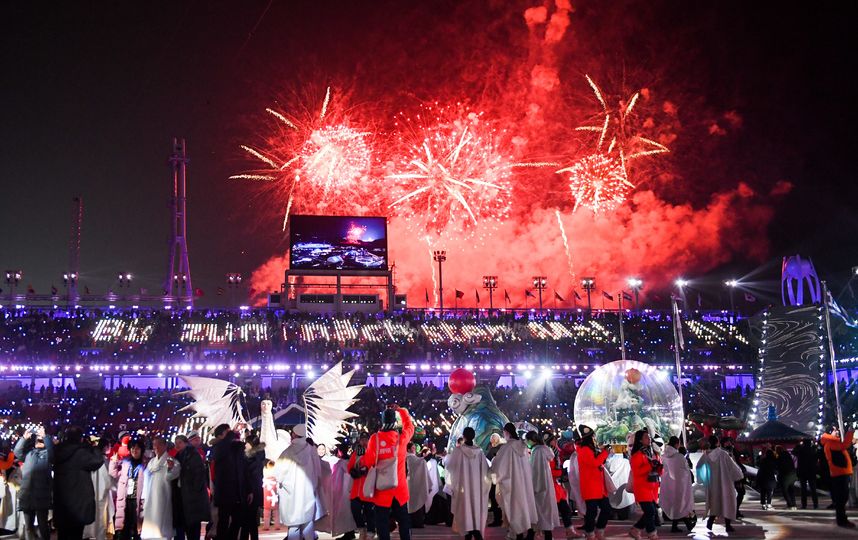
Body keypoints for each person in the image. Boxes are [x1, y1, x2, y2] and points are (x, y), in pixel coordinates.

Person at [362, 406, 415, 540]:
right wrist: (402, 411)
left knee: (382, 525)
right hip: (400, 490)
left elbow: (368, 462)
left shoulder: (375, 439)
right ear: (395, 422)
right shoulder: (401, 439)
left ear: (382, 421)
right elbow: (410, 427)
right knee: (404, 523)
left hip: (382, 491)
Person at [53, 426, 109, 540]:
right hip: (79, 505)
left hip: (62, 504)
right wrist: (92, 447)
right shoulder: (81, 453)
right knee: (76, 535)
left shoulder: (58, 450)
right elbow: (97, 461)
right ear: (80, 438)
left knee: (62, 535)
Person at [491, 422, 538, 540]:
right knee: (525, 507)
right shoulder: (523, 447)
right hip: (524, 484)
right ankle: (526, 530)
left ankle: (517, 533)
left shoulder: (506, 448)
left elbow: (498, 467)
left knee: (514, 508)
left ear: (506, 433)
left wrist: (492, 475)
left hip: (511, 485)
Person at [278, 423, 322, 540]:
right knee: (308, 524)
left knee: (294, 526)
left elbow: (279, 475)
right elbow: (318, 471)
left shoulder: (287, 452)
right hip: (308, 494)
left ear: (294, 434)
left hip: (291, 496)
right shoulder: (312, 451)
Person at [447, 426, 490, 540]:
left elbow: (450, 467)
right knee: (475, 509)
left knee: (465, 509)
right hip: (476, 489)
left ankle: (468, 532)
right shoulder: (479, 452)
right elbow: (485, 470)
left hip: (463, 488)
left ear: (464, 436)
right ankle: (475, 530)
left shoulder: (458, 451)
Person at [697, 435, 742, 533]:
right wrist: (738, 478)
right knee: (727, 503)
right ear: (717, 443)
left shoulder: (706, 455)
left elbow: (699, 467)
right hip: (725, 483)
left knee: (714, 503)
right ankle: (728, 525)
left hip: (712, 484)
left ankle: (710, 522)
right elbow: (732, 467)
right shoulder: (723, 454)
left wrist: (703, 479)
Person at [15, 426, 53, 540]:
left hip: (41, 495)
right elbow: (17, 452)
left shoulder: (48, 455)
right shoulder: (28, 454)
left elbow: (52, 452)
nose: (39, 441)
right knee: (28, 526)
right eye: (38, 439)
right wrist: (24, 438)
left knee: (43, 526)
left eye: (42, 440)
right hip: (27, 494)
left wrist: (45, 437)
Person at [211, 424, 247, 540]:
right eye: (228, 432)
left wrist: (249, 489)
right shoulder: (218, 447)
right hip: (225, 492)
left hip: (238, 492)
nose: (231, 434)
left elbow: (244, 469)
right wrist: (233, 432)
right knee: (223, 521)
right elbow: (222, 449)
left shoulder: (236, 447)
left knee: (238, 520)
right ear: (220, 436)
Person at [141, 435, 181, 540]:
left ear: (164, 446)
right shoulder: (152, 462)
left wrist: (171, 468)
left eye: (159, 445)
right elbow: (146, 478)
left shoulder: (171, 460)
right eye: (154, 445)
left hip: (164, 493)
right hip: (151, 494)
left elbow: (173, 475)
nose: (156, 448)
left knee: (162, 517)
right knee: (151, 515)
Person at [545, 433, 583, 539]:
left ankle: (569, 531)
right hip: (550, 487)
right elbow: (550, 471)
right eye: (554, 440)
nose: (556, 442)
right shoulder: (550, 453)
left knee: (563, 510)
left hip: (555, 487)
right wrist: (560, 472)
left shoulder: (554, 452)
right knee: (551, 512)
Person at [576, 425, 611, 540]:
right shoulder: (584, 449)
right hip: (590, 485)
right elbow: (594, 463)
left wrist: (603, 452)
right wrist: (605, 453)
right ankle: (590, 533)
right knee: (592, 512)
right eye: (593, 436)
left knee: (606, 509)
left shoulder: (590, 448)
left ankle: (599, 530)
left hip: (598, 486)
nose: (594, 438)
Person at [525, 431, 561, 540]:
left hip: (538, 486)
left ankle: (532, 535)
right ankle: (547, 535)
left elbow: (535, 470)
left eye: (527, 440)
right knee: (546, 511)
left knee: (537, 511)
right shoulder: (544, 450)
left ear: (532, 440)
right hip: (547, 484)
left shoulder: (536, 452)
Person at [175, 431, 211, 540]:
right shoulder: (180, 455)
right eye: (176, 443)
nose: (177, 445)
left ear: (186, 443)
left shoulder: (192, 455)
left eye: (180, 443)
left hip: (192, 497)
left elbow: (198, 475)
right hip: (184, 496)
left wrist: (193, 491)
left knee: (193, 527)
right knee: (187, 526)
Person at [628, 430, 662, 540]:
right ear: (640, 440)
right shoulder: (637, 455)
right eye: (647, 437)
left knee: (650, 511)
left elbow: (655, 468)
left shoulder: (649, 452)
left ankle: (636, 529)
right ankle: (652, 534)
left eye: (649, 437)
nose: (649, 439)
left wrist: (658, 467)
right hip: (642, 487)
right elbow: (637, 472)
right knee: (650, 511)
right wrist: (650, 466)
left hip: (650, 487)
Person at [111, 438, 147, 540]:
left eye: (137, 448)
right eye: (132, 448)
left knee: (135, 524)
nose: (134, 450)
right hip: (125, 497)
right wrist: (113, 462)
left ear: (141, 450)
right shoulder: (125, 462)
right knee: (123, 523)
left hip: (137, 497)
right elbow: (114, 474)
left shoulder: (145, 464)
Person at [820, 425, 856, 528]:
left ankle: (842, 519)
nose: (837, 432)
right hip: (840, 473)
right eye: (835, 430)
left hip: (840, 472)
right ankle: (842, 520)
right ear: (829, 432)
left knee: (841, 498)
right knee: (841, 498)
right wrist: (850, 432)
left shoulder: (832, 442)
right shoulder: (831, 442)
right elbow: (845, 445)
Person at [321, 443, 357, 540]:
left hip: (342, 492)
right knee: (348, 513)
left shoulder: (341, 463)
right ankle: (350, 532)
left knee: (345, 513)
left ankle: (349, 533)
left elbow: (336, 478)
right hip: (348, 491)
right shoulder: (349, 461)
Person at [659, 436, 694, 533]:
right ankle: (686, 524)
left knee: (675, 504)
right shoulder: (679, 457)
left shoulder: (664, 456)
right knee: (680, 504)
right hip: (680, 484)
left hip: (668, 484)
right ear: (676, 444)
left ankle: (680, 525)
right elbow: (686, 469)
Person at [83, 438, 115, 540]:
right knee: (101, 518)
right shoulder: (103, 460)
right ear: (105, 447)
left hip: (92, 492)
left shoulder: (90, 460)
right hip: (102, 493)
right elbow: (108, 479)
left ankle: (90, 534)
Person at [347, 434, 375, 540]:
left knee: (370, 512)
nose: (364, 442)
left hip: (368, 488)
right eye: (362, 440)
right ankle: (362, 529)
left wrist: (366, 469)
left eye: (366, 440)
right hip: (356, 489)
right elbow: (350, 466)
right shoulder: (356, 453)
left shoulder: (372, 452)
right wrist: (352, 471)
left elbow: (373, 465)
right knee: (355, 509)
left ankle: (371, 531)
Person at [240, 434, 267, 540]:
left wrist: (249, 490)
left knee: (247, 519)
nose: (245, 444)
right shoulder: (259, 456)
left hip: (250, 491)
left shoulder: (251, 458)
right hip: (255, 490)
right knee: (251, 519)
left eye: (246, 442)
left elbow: (249, 475)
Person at [720, 438, 746, 519]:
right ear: (723, 444)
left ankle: (735, 510)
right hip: (728, 476)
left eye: (730, 442)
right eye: (727, 442)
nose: (729, 443)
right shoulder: (722, 452)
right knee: (729, 495)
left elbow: (737, 462)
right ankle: (731, 511)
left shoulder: (733, 450)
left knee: (741, 492)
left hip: (736, 475)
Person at [405, 442, 430, 528]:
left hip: (412, 483)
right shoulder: (409, 457)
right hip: (412, 483)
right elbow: (420, 462)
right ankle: (416, 522)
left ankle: (415, 521)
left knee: (414, 502)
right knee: (414, 502)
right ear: (408, 449)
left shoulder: (411, 457)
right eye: (413, 448)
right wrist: (426, 457)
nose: (414, 449)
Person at [792, 438, 819, 509]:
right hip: (811, 471)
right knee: (813, 488)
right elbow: (816, 458)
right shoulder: (813, 450)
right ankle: (815, 504)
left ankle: (804, 505)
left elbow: (793, 452)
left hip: (802, 472)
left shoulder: (801, 450)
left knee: (803, 489)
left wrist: (798, 445)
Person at [485, 433, 504, 527]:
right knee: (494, 497)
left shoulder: (499, 448)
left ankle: (498, 519)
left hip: (497, 476)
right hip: (495, 475)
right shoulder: (495, 448)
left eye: (492, 439)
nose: (491, 440)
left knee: (495, 497)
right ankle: (499, 518)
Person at [774, 445, 797, 510]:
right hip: (792, 475)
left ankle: (790, 505)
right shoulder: (788, 455)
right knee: (791, 490)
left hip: (785, 476)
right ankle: (794, 505)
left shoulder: (779, 457)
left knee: (785, 491)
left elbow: (778, 467)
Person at [261, 460, 281, 532]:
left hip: (267, 493)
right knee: (276, 511)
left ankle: (266, 526)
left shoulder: (265, 473)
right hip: (274, 493)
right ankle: (277, 525)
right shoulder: (276, 475)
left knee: (266, 510)